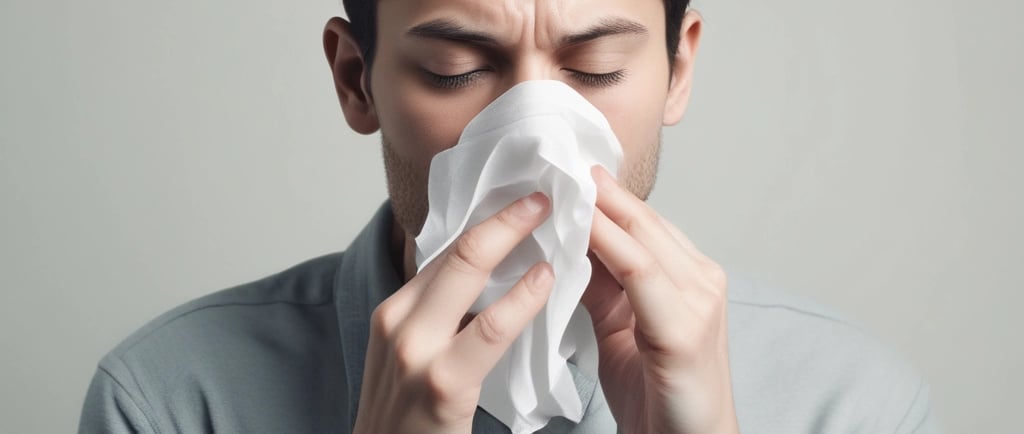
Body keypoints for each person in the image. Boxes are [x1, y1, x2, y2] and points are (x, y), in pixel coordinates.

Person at [78, 0, 942, 432]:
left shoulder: (854, 402)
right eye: (457, 70)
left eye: (596, 70)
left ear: (678, 72)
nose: (536, 140)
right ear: (355, 80)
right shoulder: (170, 400)